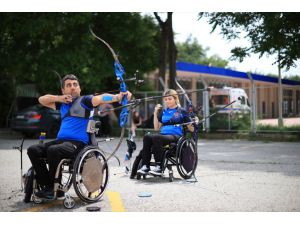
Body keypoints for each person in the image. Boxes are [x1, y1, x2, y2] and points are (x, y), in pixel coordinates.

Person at [27, 74, 132, 199]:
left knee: (53, 150)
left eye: (75, 85)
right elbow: (42, 99)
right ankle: (50, 186)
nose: (72, 87)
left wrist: (118, 96)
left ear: (80, 88)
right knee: (33, 150)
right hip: (61, 142)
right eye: (69, 85)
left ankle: (51, 189)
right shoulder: (62, 104)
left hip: (78, 144)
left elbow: (100, 99)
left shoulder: (85, 101)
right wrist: (60, 98)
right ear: (63, 90)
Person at [136, 89, 195, 176]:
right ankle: (145, 166)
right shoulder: (163, 112)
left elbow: (192, 129)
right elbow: (156, 128)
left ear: (175, 99)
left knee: (157, 137)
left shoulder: (182, 111)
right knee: (147, 137)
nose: (167, 101)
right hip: (163, 136)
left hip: (175, 136)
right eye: (166, 99)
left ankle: (159, 166)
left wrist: (192, 122)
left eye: (170, 99)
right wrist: (155, 113)